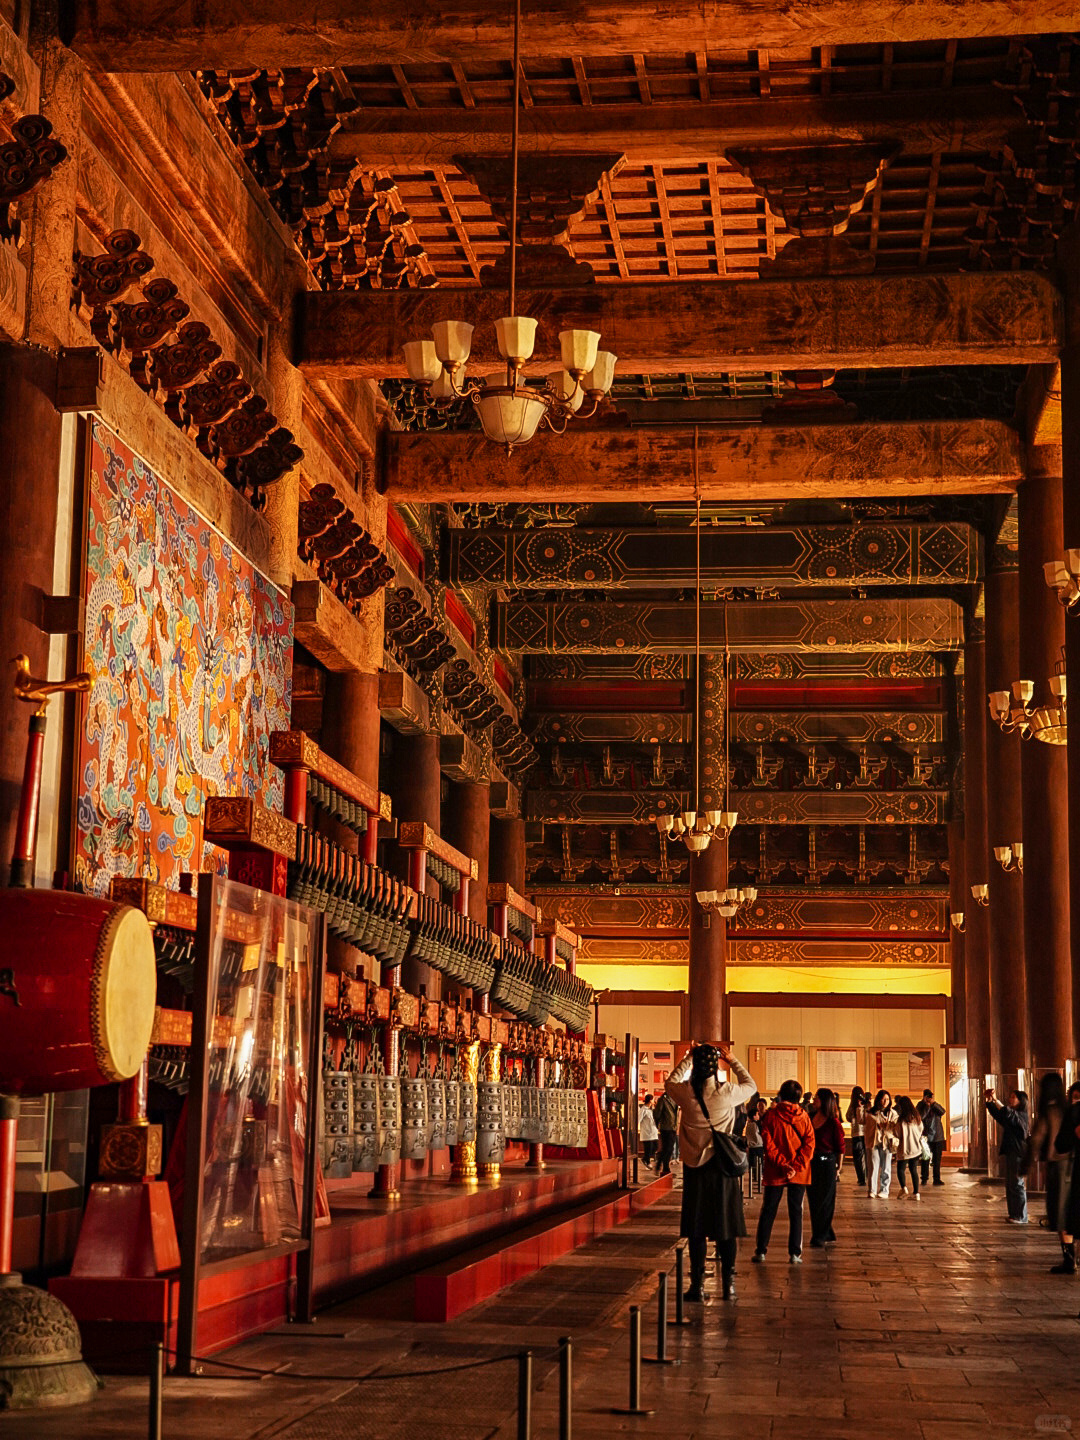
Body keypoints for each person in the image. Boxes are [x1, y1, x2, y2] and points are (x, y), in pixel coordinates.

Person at [665, 1041, 758, 1302]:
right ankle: (728, 1285)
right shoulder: (726, 1091)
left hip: (695, 1169)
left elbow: (669, 1083)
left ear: (695, 1067)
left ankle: (697, 1285)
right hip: (723, 1168)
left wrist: (686, 1058)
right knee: (725, 1228)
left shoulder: (685, 1093)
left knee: (696, 1228)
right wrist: (733, 1060)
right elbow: (751, 1086)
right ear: (715, 1067)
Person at [752, 1080, 816, 1265]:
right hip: (799, 1172)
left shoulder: (771, 1116)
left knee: (769, 1210)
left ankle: (761, 1250)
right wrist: (795, 1167)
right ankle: (795, 1253)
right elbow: (809, 1144)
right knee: (796, 1211)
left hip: (775, 1171)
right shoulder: (804, 1117)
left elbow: (768, 1144)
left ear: (781, 1093)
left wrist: (783, 1165)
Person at [1030, 1072, 1072, 1273]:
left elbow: (1037, 1139)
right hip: (1074, 1165)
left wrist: (1026, 1164)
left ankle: (1069, 1258)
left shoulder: (1051, 1112)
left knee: (1061, 1213)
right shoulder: (1069, 1110)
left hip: (1059, 1166)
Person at [985, 1085, 1030, 1223]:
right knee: (1010, 1185)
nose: (1010, 1099)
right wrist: (989, 1101)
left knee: (1017, 1184)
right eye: (1010, 1097)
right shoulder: (1012, 1115)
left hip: (1018, 1153)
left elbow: (1007, 1113)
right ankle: (1014, 1214)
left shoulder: (1021, 1115)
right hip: (1011, 1152)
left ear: (1021, 1100)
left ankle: (1021, 1216)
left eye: (1013, 1097)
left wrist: (996, 1099)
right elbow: (1000, 1116)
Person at [808, 1087, 845, 1246]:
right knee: (813, 1200)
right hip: (811, 1162)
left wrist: (839, 1168)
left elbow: (840, 1147)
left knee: (825, 1200)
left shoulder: (833, 1122)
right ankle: (825, 1231)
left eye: (816, 1097)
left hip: (827, 1162)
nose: (813, 1100)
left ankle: (820, 1235)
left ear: (824, 1101)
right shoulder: (809, 1117)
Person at [864, 1089, 899, 1199]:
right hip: (874, 1142)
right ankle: (872, 1190)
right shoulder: (871, 1112)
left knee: (886, 1167)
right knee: (873, 1167)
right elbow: (864, 1122)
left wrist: (888, 1126)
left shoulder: (893, 1113)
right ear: (879, 1099)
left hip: (887, 1143)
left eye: (887, 1099)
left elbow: (895, 1127)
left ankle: (884, 1190)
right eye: (883, 1099)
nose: (885, 1101)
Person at [894, 1095, 924, 1200]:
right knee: (914, 1170)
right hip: (916, 1148)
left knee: (901, 1169)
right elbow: (921, 1130)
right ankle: (916, 1193)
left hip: (905, 1148)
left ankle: (904, 1188)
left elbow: (897, 1133)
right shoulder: (917, 1117)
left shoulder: (901, 1120)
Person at [918, 1089, 947, 1186]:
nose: (929, 1098)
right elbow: (920, 1117)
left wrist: (933, 1103)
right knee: (925, 1158)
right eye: (927, 1096)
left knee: (937, 1159)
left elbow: (943, 1111)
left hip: (937, 1136)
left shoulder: (935, 1105)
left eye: (931, 1096)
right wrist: (926, 1106)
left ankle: (937, 1179)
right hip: (926, 1136)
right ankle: (924, 1178)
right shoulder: (920, 1105)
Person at [846, 1086, 868, 1187]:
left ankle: (861, 1178)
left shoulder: (853, 1106)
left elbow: (848, 1117)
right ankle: (866, 1177)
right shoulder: (865, 1105)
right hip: (865, 1134)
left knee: (858, 1158)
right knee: (865, 1157)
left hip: (857, 1134)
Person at [654, 1089, 678, 1176]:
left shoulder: (675, 1099)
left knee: (669, 1148)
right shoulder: (663, 1099)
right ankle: (664, 1167)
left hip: (673, 1127)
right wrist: (657, 1125)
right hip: (666, 1127)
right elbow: (657, 1114)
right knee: (667, 1148)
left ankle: (662, 1166)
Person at [745, 1097, 766, 1191]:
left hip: (751, 1146)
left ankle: (754, 1176)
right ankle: (759, 1176)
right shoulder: (756, 1124)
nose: (758, 1115)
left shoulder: (748, 1124)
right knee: (760, 1162)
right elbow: (761, 1133)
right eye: (757, 1114)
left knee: (753, 1162)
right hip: (758, 1145)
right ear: (754, 1116)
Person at [638, 1092, 659, 1169]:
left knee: (655, 1147)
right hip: (647, 1133)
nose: (654, 1101)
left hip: (653, 1133)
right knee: (648, 1149)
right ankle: (647, 1161)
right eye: (653, 1100)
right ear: (650, 1100)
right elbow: (638, 1119)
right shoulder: (643, 1110)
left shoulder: (651, 1110)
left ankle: (645, 1159)